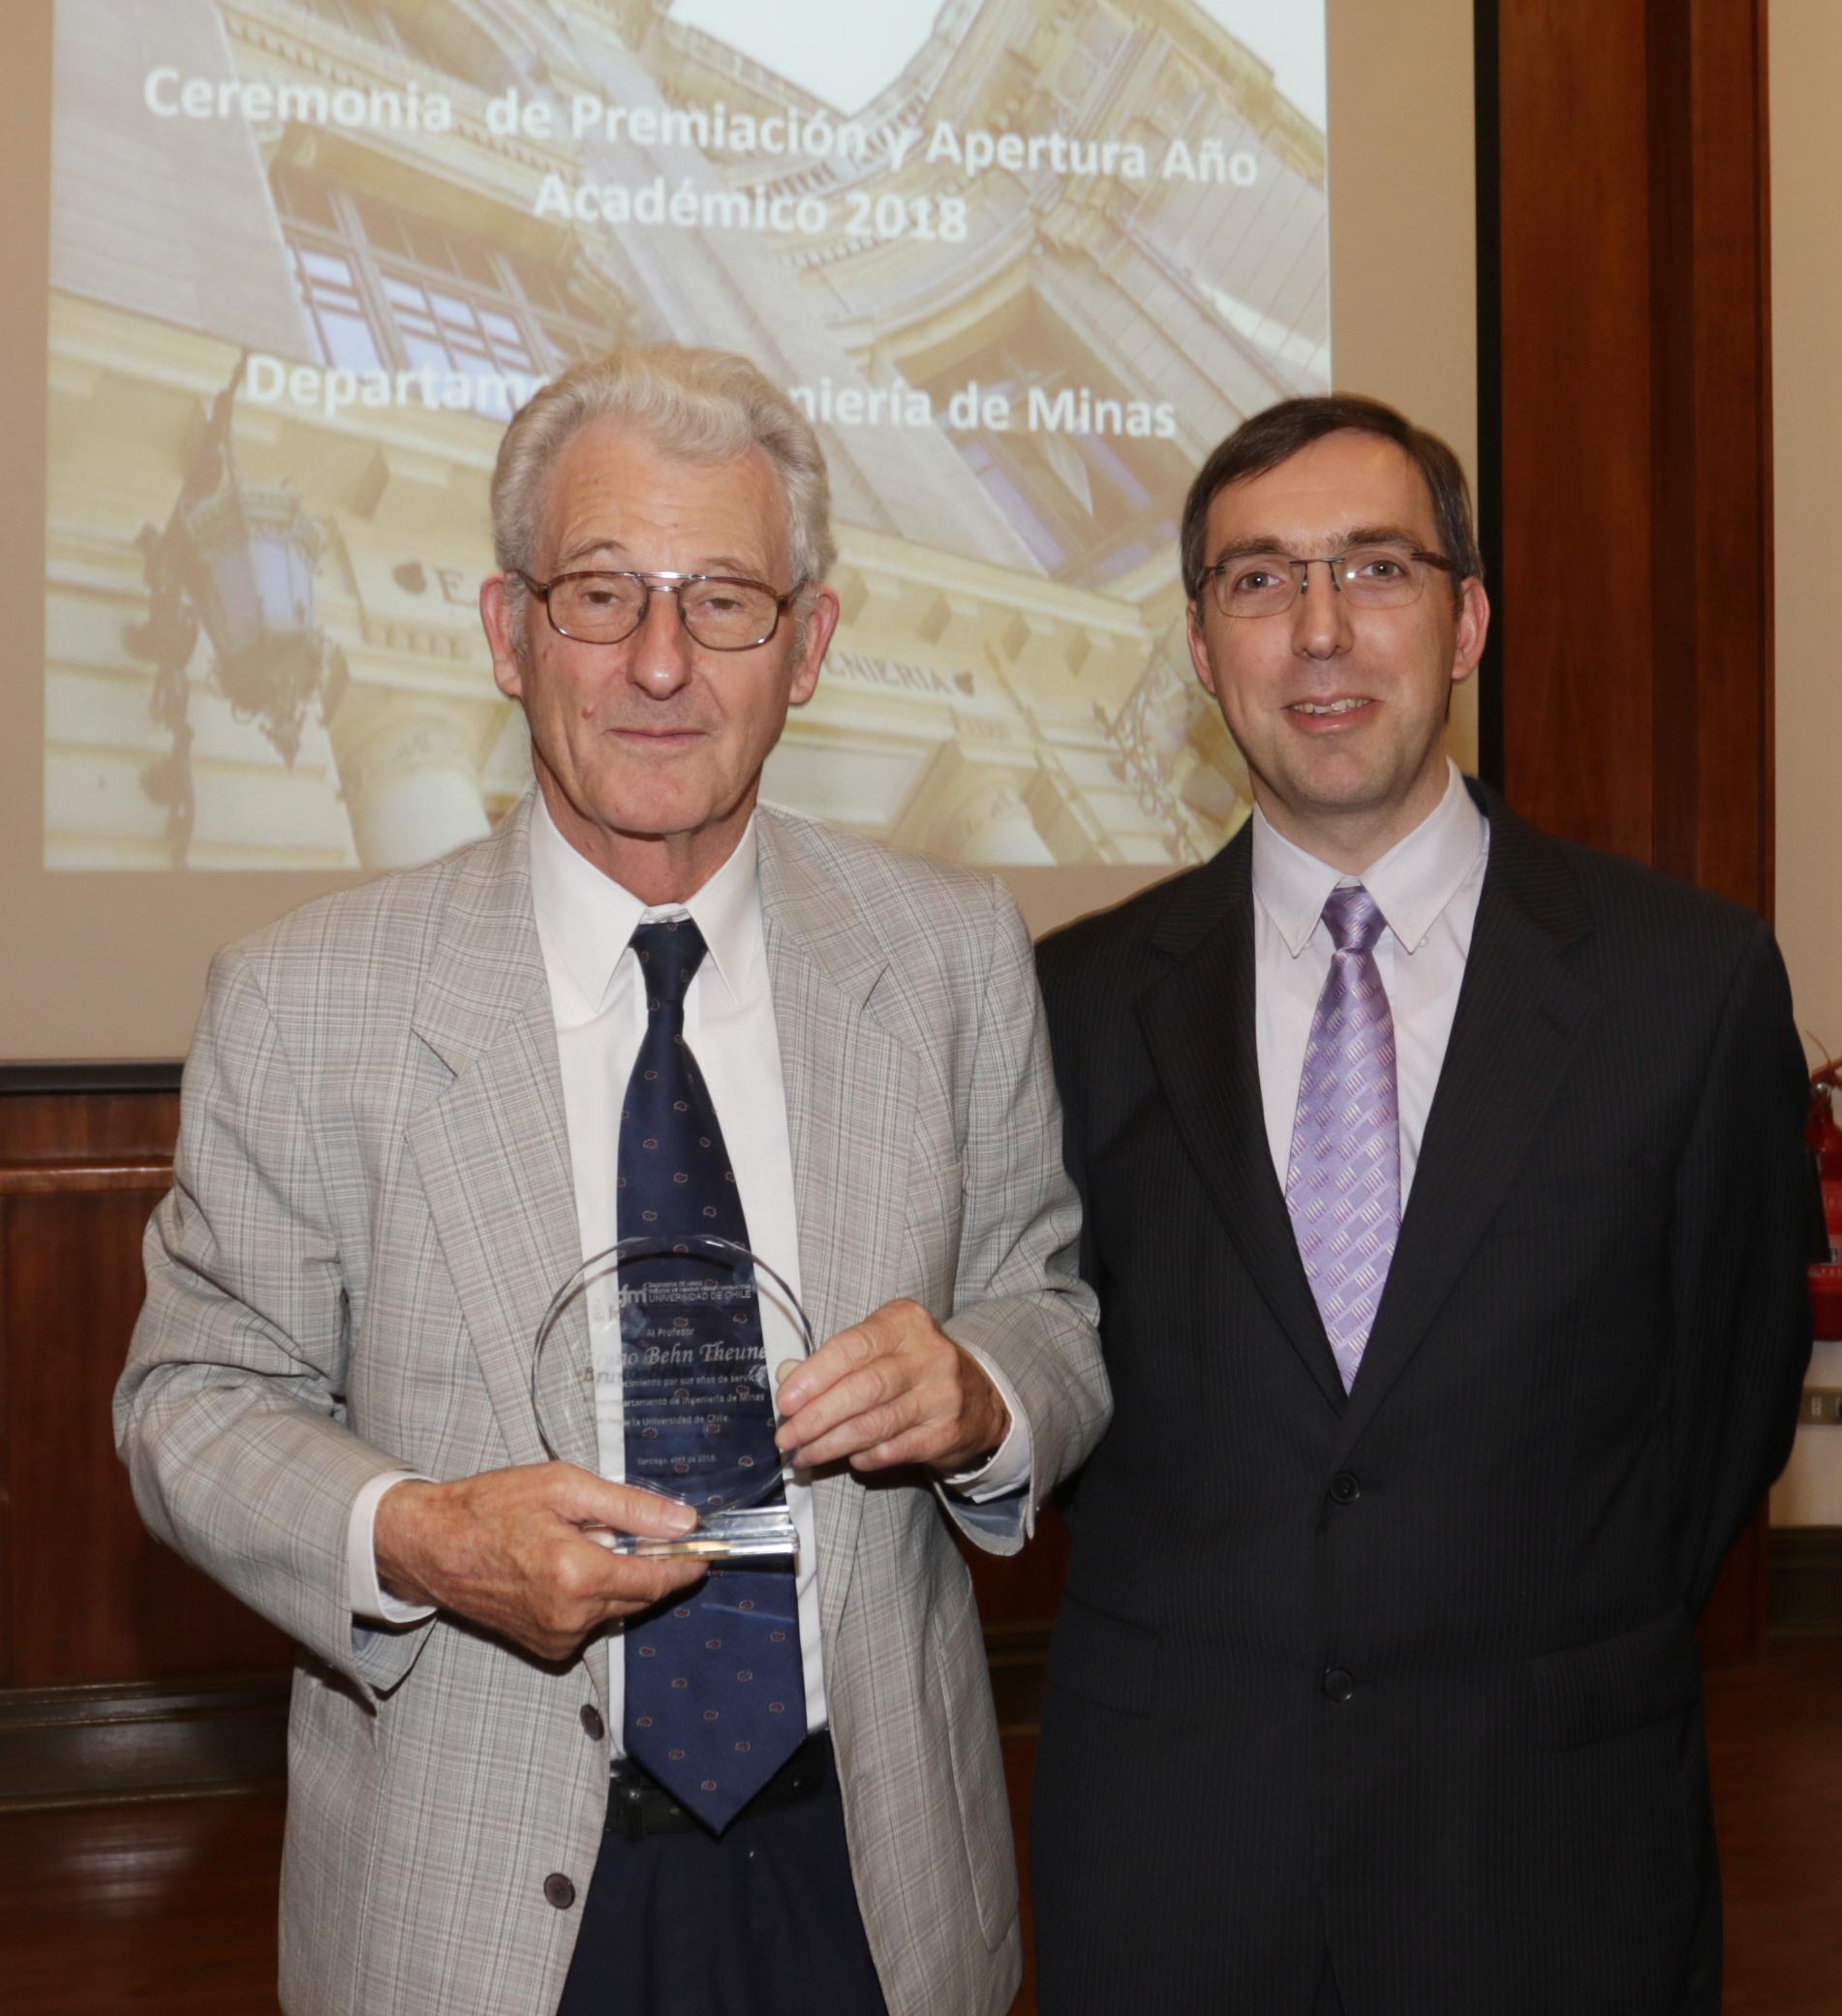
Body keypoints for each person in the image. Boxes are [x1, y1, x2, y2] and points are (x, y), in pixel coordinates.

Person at [115, 345, 1108, 2016]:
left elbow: (1052, 1309)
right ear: (510, 634)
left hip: (866, 1874)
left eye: (722, 600)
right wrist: (420, 1537)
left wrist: (982, 1388)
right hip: (474, 1891)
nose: (660, 662)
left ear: (808, 645)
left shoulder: (946, 958)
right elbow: (191, 1404)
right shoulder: (307, 995)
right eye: (601, 593)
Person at [1028, 394, 1814, 2016]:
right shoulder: (1075, 1002)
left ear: (1465, 619)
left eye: (1373, 568)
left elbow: (1721, 1413)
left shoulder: (1687, 986)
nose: (1318, 631)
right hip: (1176, 1873)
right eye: (1257, 581)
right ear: (1196, 646)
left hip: (1545, 1854)